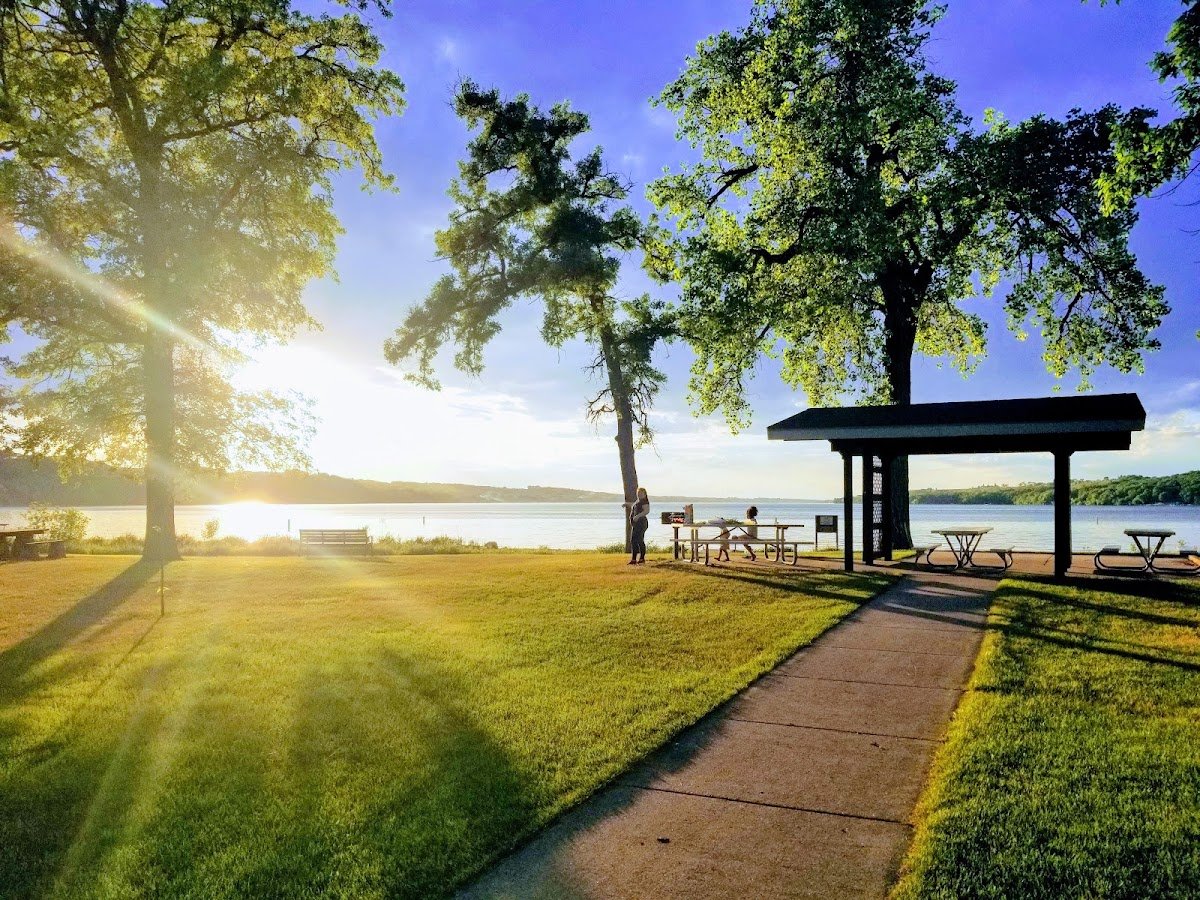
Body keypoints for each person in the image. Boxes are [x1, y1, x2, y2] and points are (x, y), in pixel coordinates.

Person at [629, 487, 650, 565]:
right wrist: (627, 504)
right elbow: (635, 507)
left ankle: (641, 558)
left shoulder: (644, 501)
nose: (639, 495)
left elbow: (646, 511)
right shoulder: (638, 501)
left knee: (639, 540)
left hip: (641, 523)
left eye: (641, 493)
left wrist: (637, 516)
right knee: (633, 540)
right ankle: (634, 559)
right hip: (636, 524)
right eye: (638, 493)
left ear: (644, 494)